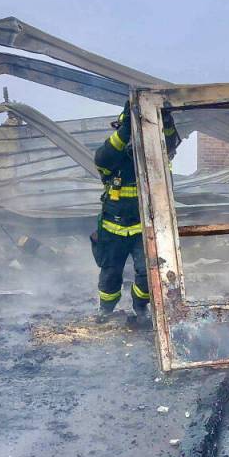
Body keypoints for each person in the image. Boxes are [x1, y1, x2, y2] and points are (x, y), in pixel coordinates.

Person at [91, 100, 179, 323]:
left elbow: (170, 144)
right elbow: (104, 156)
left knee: (146, 274)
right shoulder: (111, 161)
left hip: (143, 228)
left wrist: (165, 119)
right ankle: (106, 310)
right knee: (110, 274)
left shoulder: (153, 159)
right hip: (113, 229)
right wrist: (128, 126)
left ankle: (140, 308)